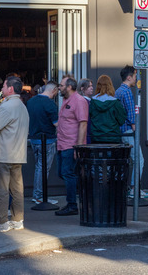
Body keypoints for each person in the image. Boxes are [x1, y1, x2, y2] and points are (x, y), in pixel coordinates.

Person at [0, 76, 29, 233]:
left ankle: (1, 221)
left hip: (3, 154)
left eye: (3, 86)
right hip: (18, 154)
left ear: (10, 89)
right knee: (16, 190)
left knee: (0, 190)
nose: (1, 88)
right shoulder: (22, 106)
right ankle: (17, 220)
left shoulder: (6, 107)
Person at [55, 76, 88, 216]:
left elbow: (83, 123)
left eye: (61, 85)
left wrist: (78, 147)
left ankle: (72, 204)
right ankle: (77, 198)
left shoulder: (79, 101)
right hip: (62, 144)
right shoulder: (65, 100)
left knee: (68, 173)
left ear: (69, 87)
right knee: (63, 173)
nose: (59, 87)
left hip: (71, 145)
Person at [116, 65, 148, 198]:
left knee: (127, 161)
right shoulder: (128, 92)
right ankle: (134, 190)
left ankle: (130, 188)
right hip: (129, 131)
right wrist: (136, 132)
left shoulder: (118, 91)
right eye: (135, 77)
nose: (136, 79)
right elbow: (131, 114)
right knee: (139, 160)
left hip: (121, 132)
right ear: (129, 77)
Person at [26, 81, 59, 205]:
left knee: (39, 168)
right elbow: (56, 123)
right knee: (43, 168)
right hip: (47, 140)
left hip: (33, 139)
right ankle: (39, 195)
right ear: (54, 90)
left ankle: (38, 194)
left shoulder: (31, 101)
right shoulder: (50, 104)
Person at [89, 75, 126, 143]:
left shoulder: (92, 102)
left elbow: (90, 117)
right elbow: (122, 120)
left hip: (96, 138)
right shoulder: (115, 102)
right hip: (113, 139)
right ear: (110, 86)